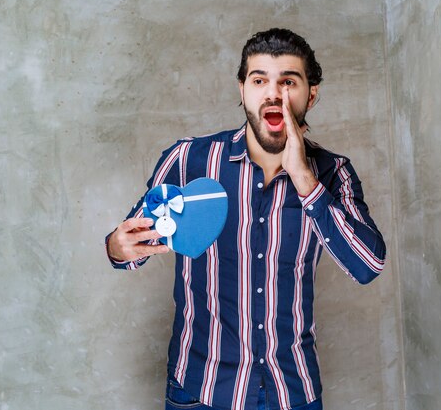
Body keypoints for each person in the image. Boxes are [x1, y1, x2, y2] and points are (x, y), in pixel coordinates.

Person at [105, 28, 386, 410]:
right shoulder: (189, 161)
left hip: (293, 391)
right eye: (259, 80)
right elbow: (131, 247)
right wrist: (117, 247)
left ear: (311, 94)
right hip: (199, 389)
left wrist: (305, 179)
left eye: (289, 81)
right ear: (242, 91)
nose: (273, 93)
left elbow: (368, 265)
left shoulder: (333, 172)